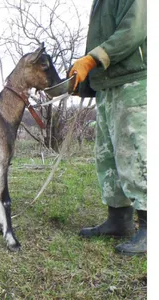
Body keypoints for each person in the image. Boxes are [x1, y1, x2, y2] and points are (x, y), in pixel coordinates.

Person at [68, 0, 147, 256]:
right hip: (108, 85)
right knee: (108, 155)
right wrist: (86, 82)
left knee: (137, 154)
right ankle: (119, 219)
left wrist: (92, 59)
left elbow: (132, 31)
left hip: (134, 81)